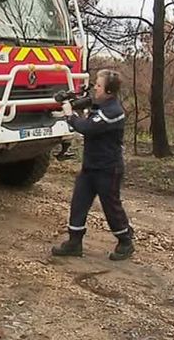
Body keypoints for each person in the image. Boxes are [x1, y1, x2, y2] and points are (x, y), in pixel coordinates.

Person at [52, 70, 135, 261]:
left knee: (111, 207)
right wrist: (76, 103)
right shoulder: (100, 105)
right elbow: (89, 111)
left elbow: (87, 128)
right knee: (79, 202)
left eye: (98, 85)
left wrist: (70, 114)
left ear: (108, 91)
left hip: (108, 169)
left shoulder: (113, 112)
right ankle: (74, 242)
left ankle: (125, 241)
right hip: (91, 166)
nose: (95, 88)